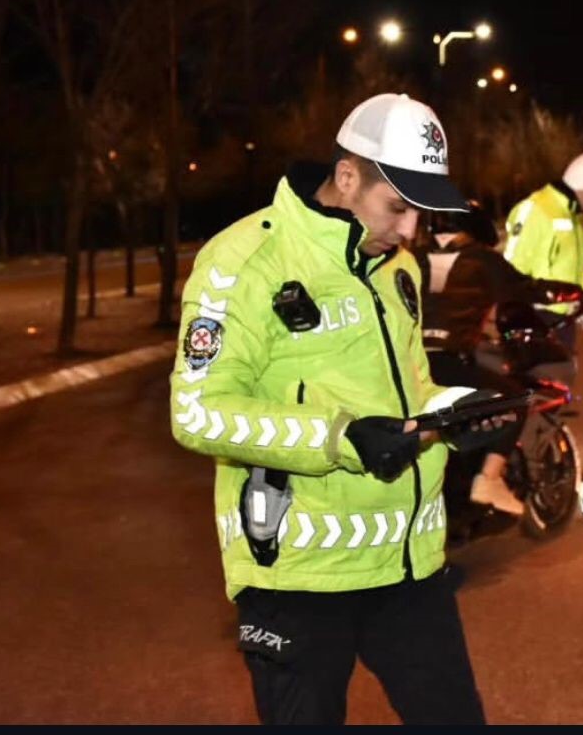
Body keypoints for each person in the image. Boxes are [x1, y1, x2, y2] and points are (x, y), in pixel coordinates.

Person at [169, 93, 515, 725]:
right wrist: (341, 438)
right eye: (398, 207)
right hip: (299, 576)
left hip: (410, 566)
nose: (409, 230)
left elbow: (412, 389)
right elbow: (197, 411)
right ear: (348, 177)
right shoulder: (243, 262)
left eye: (420, 212)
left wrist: (458, 412)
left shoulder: (399, 268)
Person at [415, 200, 583, 516]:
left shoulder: (411, 258)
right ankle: (489, 480)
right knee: (515, 400)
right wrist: (571, 294)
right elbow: (528, 289)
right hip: (449, 362)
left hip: (408, 365)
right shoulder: (482, 260)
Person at [503, 148, 583, 355]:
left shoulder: (577, 218)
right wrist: (521, 308)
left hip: (563, 319)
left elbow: (576, 267)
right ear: (582, 188)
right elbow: (512, 264)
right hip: (535, 318)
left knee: (564, 372)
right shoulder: (536, 209)